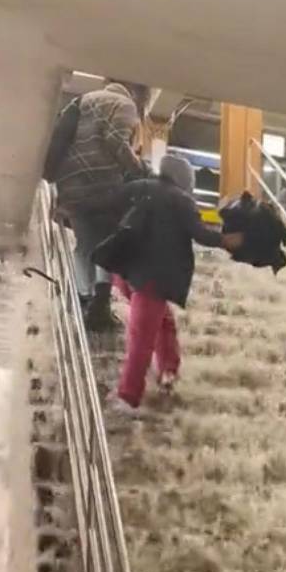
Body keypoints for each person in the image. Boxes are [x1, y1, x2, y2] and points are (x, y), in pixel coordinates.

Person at [93, 153, 244, 416]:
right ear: (184, 180)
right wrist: (225, 241)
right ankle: (128, 397)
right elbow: (200, 234)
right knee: (142, 338)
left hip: (129, 272)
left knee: (163, 322)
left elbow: (107, 204)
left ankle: (168, 369)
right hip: (155, 279)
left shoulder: (140, 188)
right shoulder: (181, 200)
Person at [54, 79, 151, 331]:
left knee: (84, 244)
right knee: (107, 242)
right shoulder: (125, 104)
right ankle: (99, 305)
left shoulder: (84, 101)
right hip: (101, 183)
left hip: (69, 185)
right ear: (139, 95)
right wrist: (139, 168)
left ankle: (81, 298)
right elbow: (116, 141)